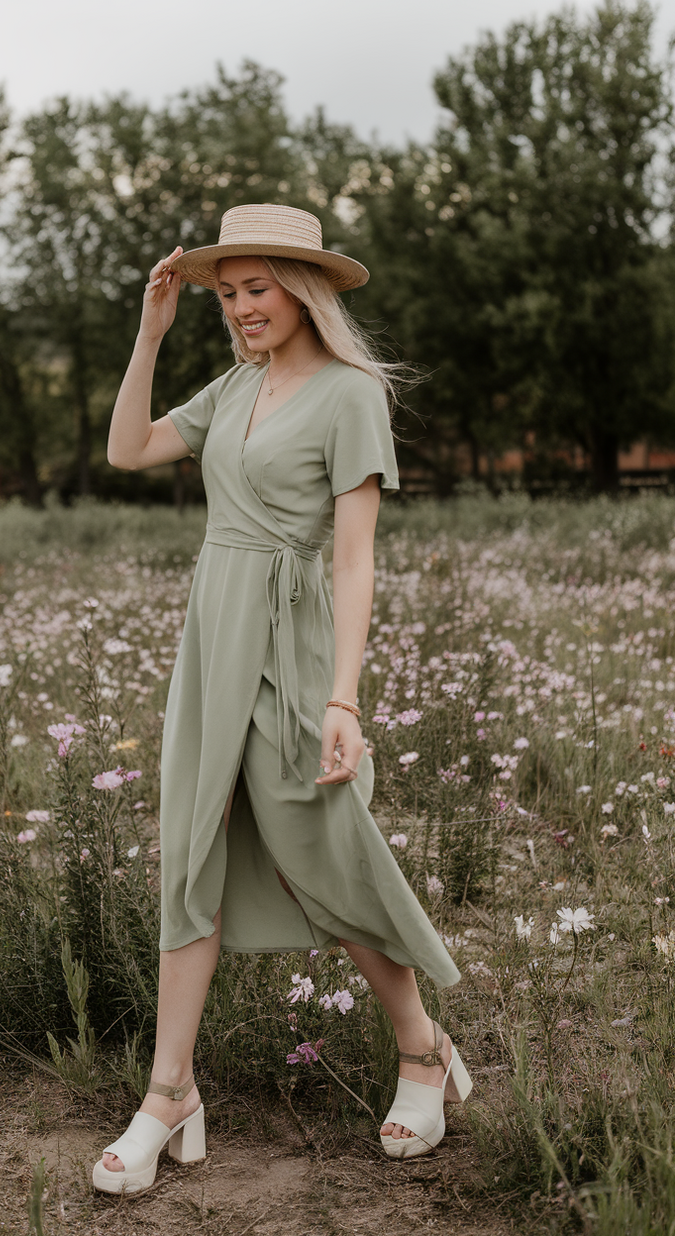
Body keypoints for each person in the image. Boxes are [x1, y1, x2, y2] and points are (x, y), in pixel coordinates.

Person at [92, 204, 471, 1196]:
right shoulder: (230, 387)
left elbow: (354, 560)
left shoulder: (349, 396)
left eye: (255, 288)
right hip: (213, 636)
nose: (239, 309)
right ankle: (167, 1092)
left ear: (301, 290)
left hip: (294, 644)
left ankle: (422, 1050)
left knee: (319, 852)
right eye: (226, 294)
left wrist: (341, 699)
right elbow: (126, 451)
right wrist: (151, 331)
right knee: (192, 850)